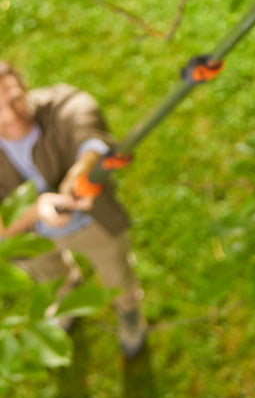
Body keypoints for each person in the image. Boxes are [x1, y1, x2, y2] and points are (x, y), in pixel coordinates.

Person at [0, 59, 147, 359]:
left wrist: (84, 167)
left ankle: (129, 312)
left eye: (14, 98)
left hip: (93, 223)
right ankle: (67, 296)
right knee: (51, 278)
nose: (10, 115)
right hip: (31, 239)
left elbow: (87, 128)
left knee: (117, 276)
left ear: (25, 86)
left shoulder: (61, 106)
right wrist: (36, 211)